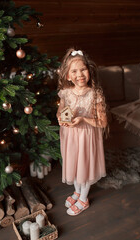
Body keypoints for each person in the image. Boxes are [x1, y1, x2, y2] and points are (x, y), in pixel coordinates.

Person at [56, 48, 108, 216]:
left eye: (83, 69)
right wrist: (61, 118)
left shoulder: (95, 94)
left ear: (89, 71)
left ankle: (84, 199)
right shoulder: (65, 93)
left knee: (84, 168)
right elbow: (60, 111)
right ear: (68, 76)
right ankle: (77, 192)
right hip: (70, 136)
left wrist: (84, 119)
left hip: (86, 137)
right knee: (73, 165)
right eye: (74, 71)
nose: (80, 74)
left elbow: (102, 121)